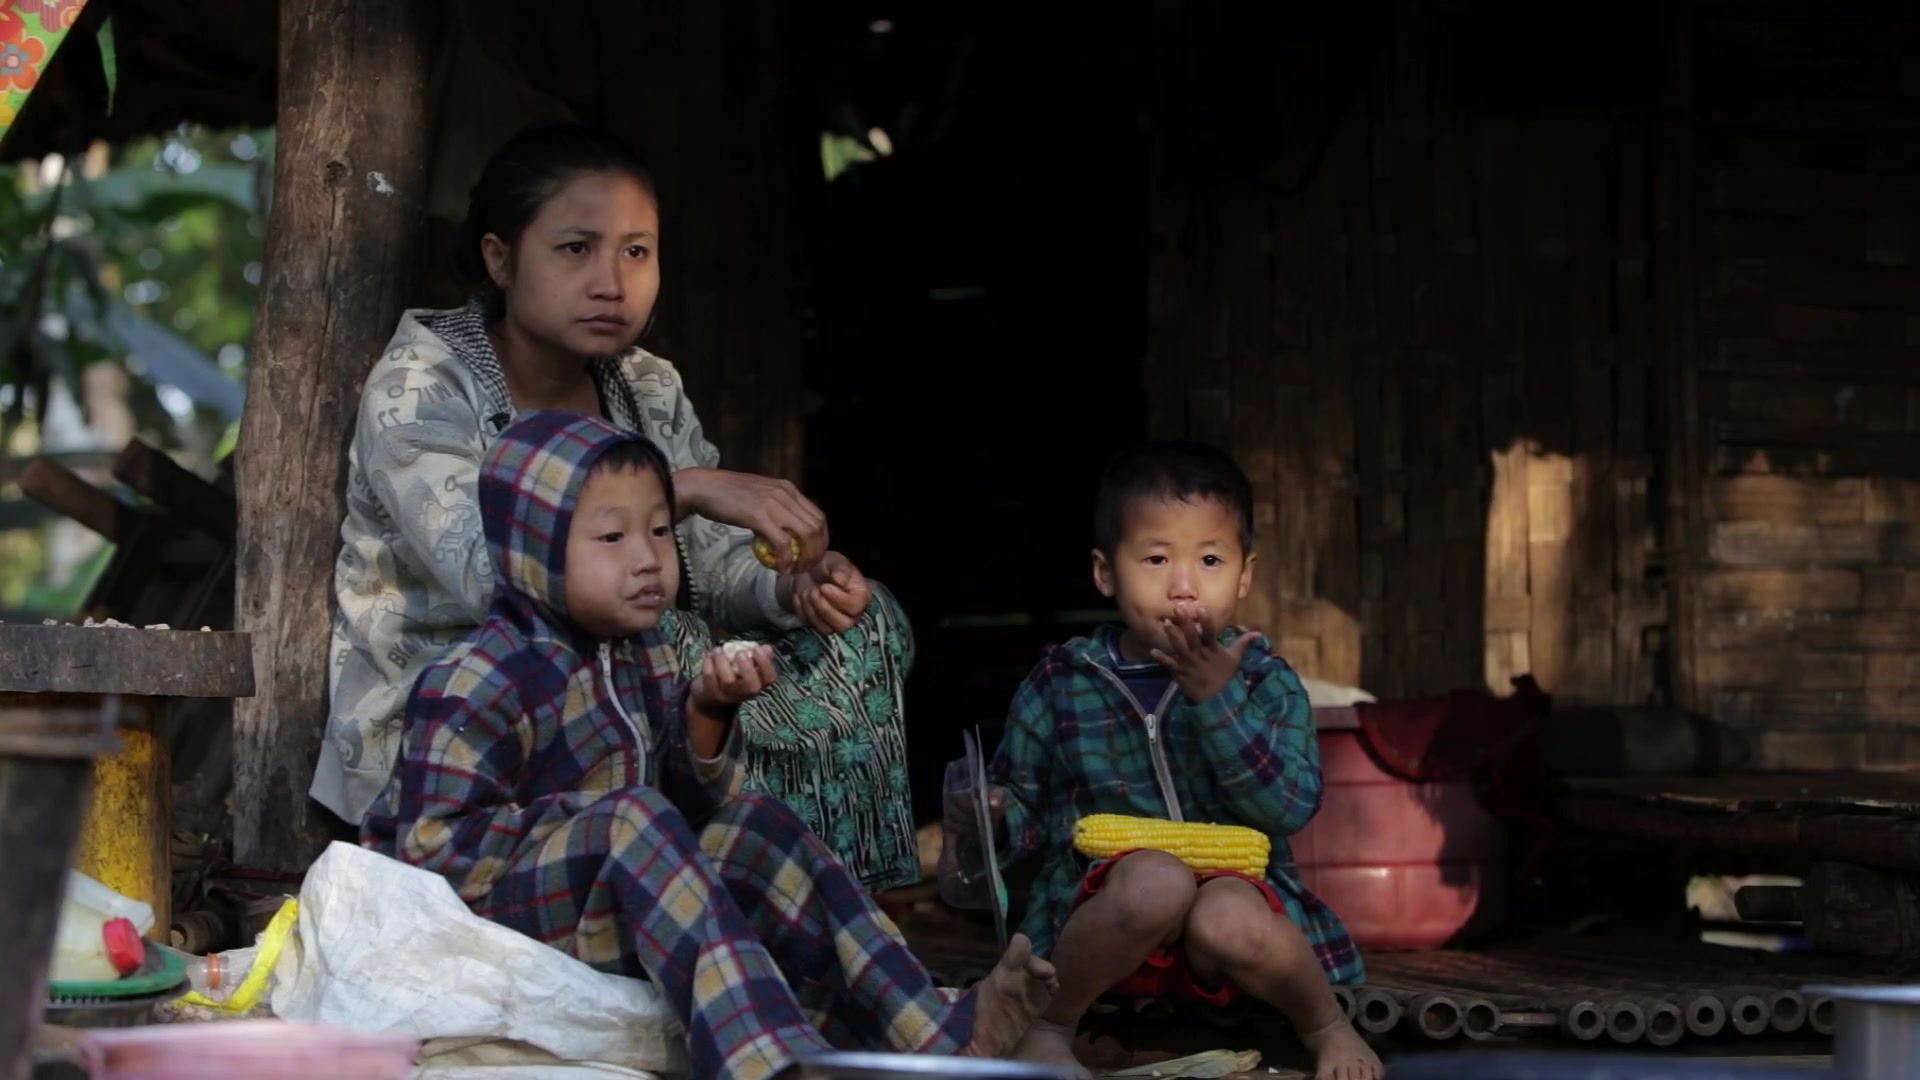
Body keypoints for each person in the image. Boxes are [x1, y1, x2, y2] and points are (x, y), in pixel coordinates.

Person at [362, 411, 1056, 1080]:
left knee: (753, 823)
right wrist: (592, 824)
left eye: (661, 531)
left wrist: (708, 707)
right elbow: (431, 856)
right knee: (634, 818)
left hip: (617, 903)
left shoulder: (646, 652)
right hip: (488, 921)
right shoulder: (482, 677)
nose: (647, 560)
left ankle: (941, 1035)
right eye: (612, 538)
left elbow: (691, 807)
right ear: (533, 550)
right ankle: (773, 1065)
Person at [316, 122, 919, 891]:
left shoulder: (646, 386)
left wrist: (790, 588)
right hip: (462, 718)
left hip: (620, 686)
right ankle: (731, 898)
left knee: (858, 627)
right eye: (576, 249)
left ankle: (837, 893)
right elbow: (494, 576)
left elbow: (705, 569)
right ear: (500, 258)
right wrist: (685, 486)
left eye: (637, 250)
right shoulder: (422, 387)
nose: (612, 281)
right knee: (665, 636)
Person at [985, 441, 1383, 1080]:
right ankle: (1053, 1026)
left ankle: (1328, 1026)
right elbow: (1026, 821)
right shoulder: (1061, 681)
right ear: (1106, 572)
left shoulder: (1263, 680)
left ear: (1244, 575)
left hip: (1230, 922)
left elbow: (1288, 808)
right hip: (1108, 917)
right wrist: (993, 815)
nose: (1183, 586)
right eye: (1155, 558)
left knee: (1225, 911)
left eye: (1209, 559)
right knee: (1155, 881)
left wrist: (1217, 702)